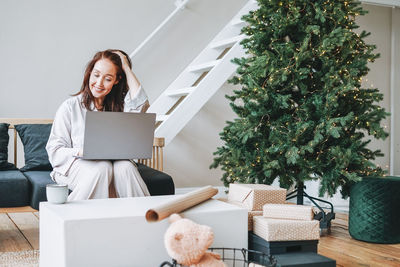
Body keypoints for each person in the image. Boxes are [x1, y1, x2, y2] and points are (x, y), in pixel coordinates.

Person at [46, 49, 150, 200]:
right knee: (102, 168)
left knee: (126, 168)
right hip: (75, 166)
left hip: (114, 164)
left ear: (117, 80)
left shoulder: (121, 106)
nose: (99, 83)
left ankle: (147, 219)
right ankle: (72, 219)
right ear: (89, 73)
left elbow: (141, 104)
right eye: (96, 75)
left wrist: (126, 68)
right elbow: (55, 150)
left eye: (108, 78)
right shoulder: (70, 106)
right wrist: (81, 151)